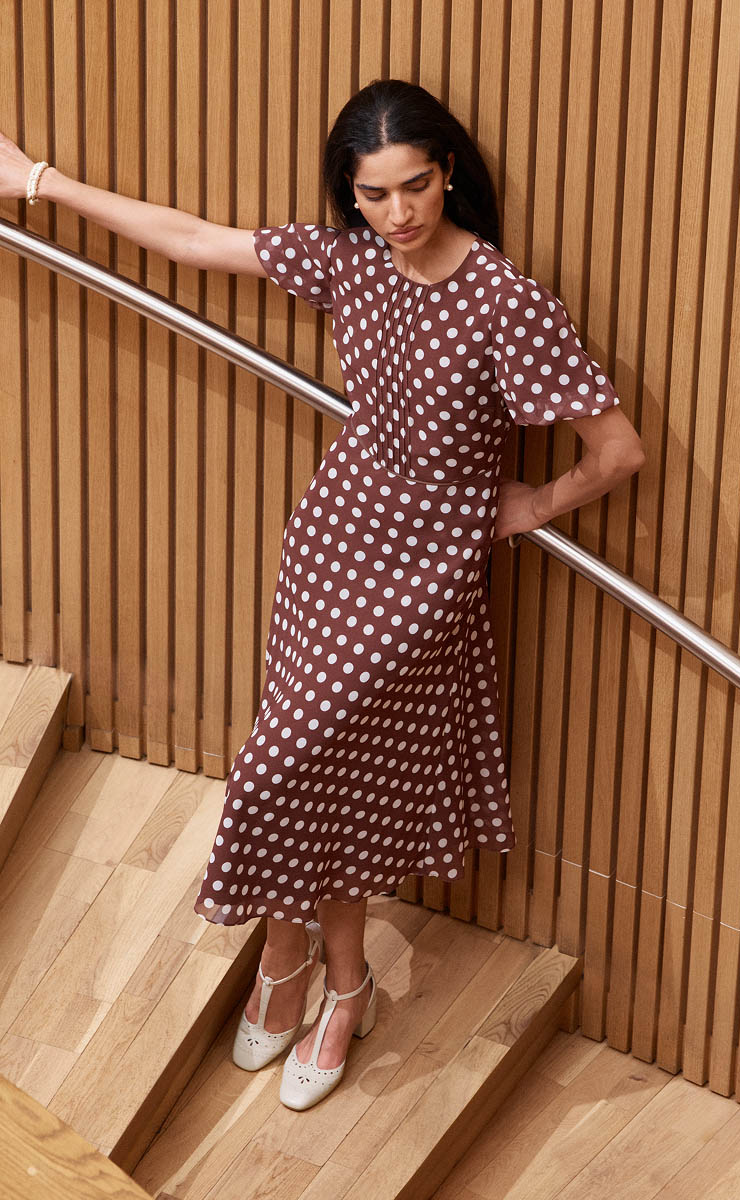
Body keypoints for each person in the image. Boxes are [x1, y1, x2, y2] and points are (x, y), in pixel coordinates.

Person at [0, 78, 644, 1111]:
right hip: (331, 541)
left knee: (283, 767)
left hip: (424, 576)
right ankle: (330, 977)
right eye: (375, 194)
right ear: (351, 193)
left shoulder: (504, 301)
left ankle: (300, 963)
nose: (400, 213)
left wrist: (530, 505)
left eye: (416, 186)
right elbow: (190, 238)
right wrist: (40, 181)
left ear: (448, 173)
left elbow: (617, 451)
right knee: (322, 772)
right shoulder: (351, 259)